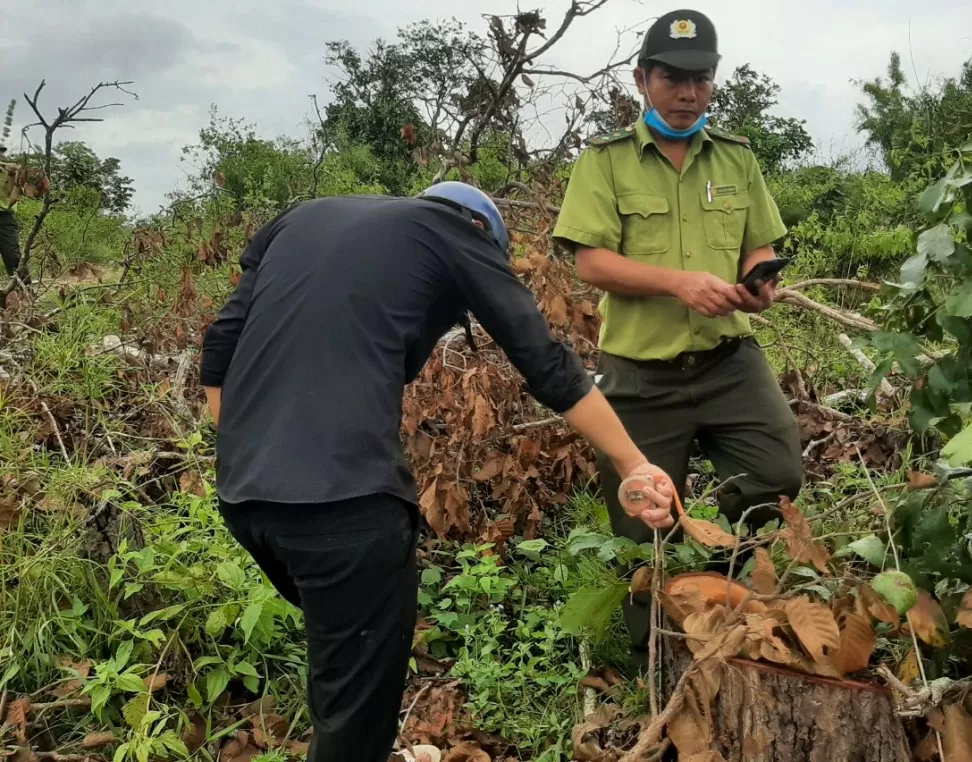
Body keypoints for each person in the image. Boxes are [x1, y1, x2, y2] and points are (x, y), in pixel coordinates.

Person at [199, 183, 676, 762]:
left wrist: (253, 454)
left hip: (245, 500)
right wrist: (631, 462)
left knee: (345, 670)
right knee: (353, 708)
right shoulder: (456, 232)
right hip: (346, 509)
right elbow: (545, 362)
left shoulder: (300, 217)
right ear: (482, 234)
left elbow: (222, 340)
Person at [552, 9, 804, 663]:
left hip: (729, 361)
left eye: (702, 78)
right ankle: (657, 662)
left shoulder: (738, 160)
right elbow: (591, 263)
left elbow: (760, 245)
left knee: (774, 475)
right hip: (638, 372)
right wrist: (678, 282)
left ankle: (728, 605)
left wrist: (759, 283)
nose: (689, 93)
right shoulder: (604, 163)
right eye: (673, 78)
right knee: (642, 520)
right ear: (643, 79)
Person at [0, 145, 21, 278]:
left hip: (4, 218)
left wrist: (12, 174)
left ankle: (23, 288)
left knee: (12, 256)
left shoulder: (9, 171)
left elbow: (12, 193)